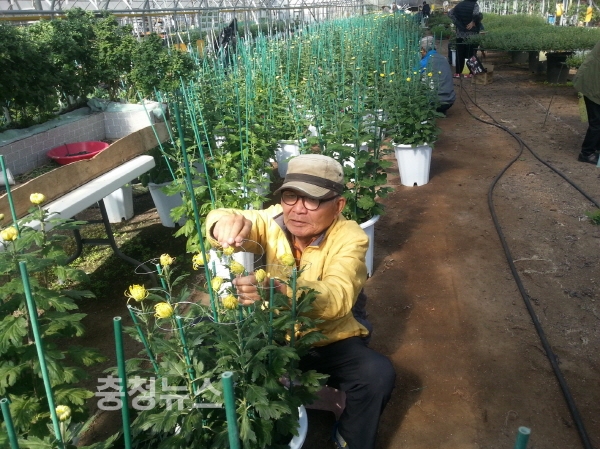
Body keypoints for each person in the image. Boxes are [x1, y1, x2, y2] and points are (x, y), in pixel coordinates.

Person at [206, 154, 396, 449]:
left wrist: (280, 290)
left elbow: (338, 297)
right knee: (211, 340)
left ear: (338, 205)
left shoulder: (350, 238)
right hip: (276, 333)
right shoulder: (272, 220)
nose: (297, 209)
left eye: (312, 200)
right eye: (291, 196)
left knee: (376, 375)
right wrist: (221, 224)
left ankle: (348, 439)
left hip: (327, 337)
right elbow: (225, 216)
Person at [572, 40, 600, 165]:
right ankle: (586, 153)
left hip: (593, 82)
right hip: (593, 85)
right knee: (597, 122)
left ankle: (596, 148)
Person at [420, 36, 456, 115]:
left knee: (418, 80)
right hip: (450, 100)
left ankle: (429, 110)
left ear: (423, 49)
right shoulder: (444, 59)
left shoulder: (425, 61)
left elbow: (412, 76)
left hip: (434, 102)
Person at [448, 0, 483, 78]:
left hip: (460, 34)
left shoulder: (459, 5)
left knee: (459, 53)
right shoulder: (474, 5)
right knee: (470, 53)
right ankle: (468, 73)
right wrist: (473, 22)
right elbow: (476, 14)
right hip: (471, 34)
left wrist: (458, 23)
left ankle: (458, 73)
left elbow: (450, 13)